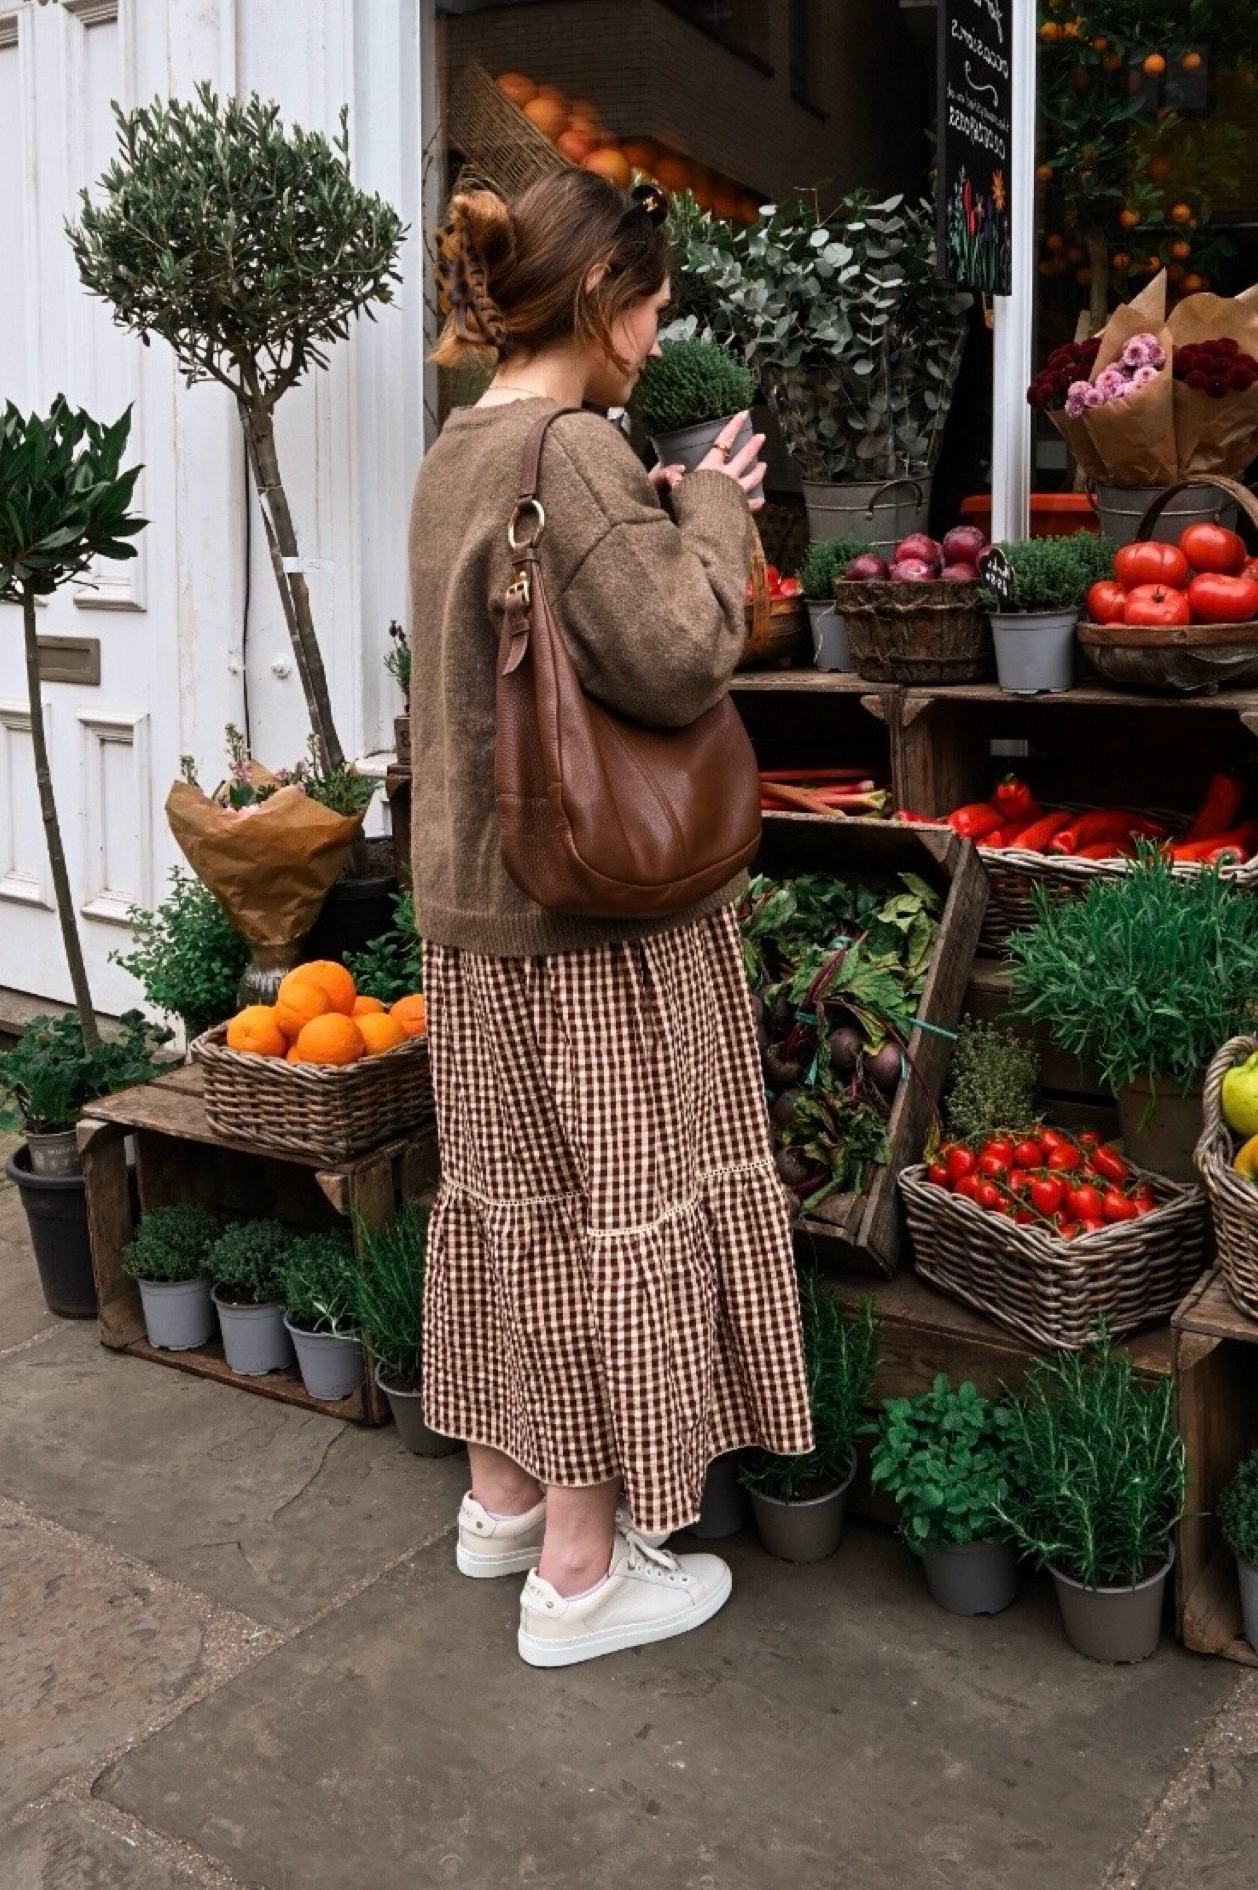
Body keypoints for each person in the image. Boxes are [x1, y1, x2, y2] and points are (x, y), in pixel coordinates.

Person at [409, 166, 811, 1668]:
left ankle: (502, 1497)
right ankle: (581, 1573)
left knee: (512, 1206)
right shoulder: (571, 445)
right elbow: (676, 655)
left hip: (473, 913)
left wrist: (646, 518)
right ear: (598, 301)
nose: (658, 332)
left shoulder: (463, 442)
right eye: (648, 302)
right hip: (585, 932)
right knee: (605, 1220)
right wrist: (713, 503)